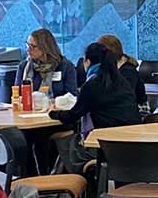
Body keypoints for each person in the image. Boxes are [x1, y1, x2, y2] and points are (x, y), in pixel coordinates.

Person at [48, 42, 142, 175]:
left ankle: (80, 188)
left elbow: (72, 116)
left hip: (106, 146)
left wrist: (53, 113)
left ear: (88, 62)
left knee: (63, 143)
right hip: (132, 142)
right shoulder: (120, 80)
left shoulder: (93, 84)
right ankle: (83, 189)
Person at [17, 28, 79, 96]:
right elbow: (17, 94)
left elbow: (72, 96)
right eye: (28, 45)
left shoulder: (66, 66)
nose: (28, 49)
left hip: (58, 106)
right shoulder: (24, 66)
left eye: (33, 46)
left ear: (45, 48)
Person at [96, 34, 148, 114]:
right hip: (122, 109)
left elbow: (124, 97)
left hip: (137, 110)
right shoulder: (112, 68)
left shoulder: (128, 71)